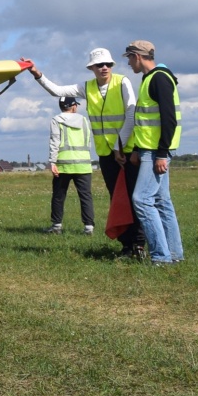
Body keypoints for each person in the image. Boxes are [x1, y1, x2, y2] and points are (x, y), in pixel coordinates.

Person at [25, 48, 140, 255]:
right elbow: (57, 91)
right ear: (92, 68)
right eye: (99, 65)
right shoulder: (86, 87)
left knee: (134, 198)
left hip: (125, 151)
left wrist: (119, 147)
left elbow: (131, 113)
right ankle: (126, 245)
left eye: (108, 64)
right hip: (106, 154)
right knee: (117, 199)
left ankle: (139, 243)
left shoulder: (122, 82)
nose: (104, 68)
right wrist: (37, 74)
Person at [123, 41, 184, 265]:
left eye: (129, 58)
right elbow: (147, 121)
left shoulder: (159, 78)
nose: (128, 63)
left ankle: (161, 257)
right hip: (149, 149)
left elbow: (169, 119)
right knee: (161, 200)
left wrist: (161, 154)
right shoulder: (150, 78)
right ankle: (175, 255)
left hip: (156, 151)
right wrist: (138, 149)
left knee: (141, 199)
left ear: (137, 56)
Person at [44, 96, 95, 234]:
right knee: (85, 196)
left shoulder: (56, 120)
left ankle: (56, 226)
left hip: (64, 164)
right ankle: (89, 227)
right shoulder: (84, 120)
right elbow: (88, 141)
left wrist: (52, 162)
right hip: (83, 164)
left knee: (59, 195)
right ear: (73, 106)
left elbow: (55, 141)